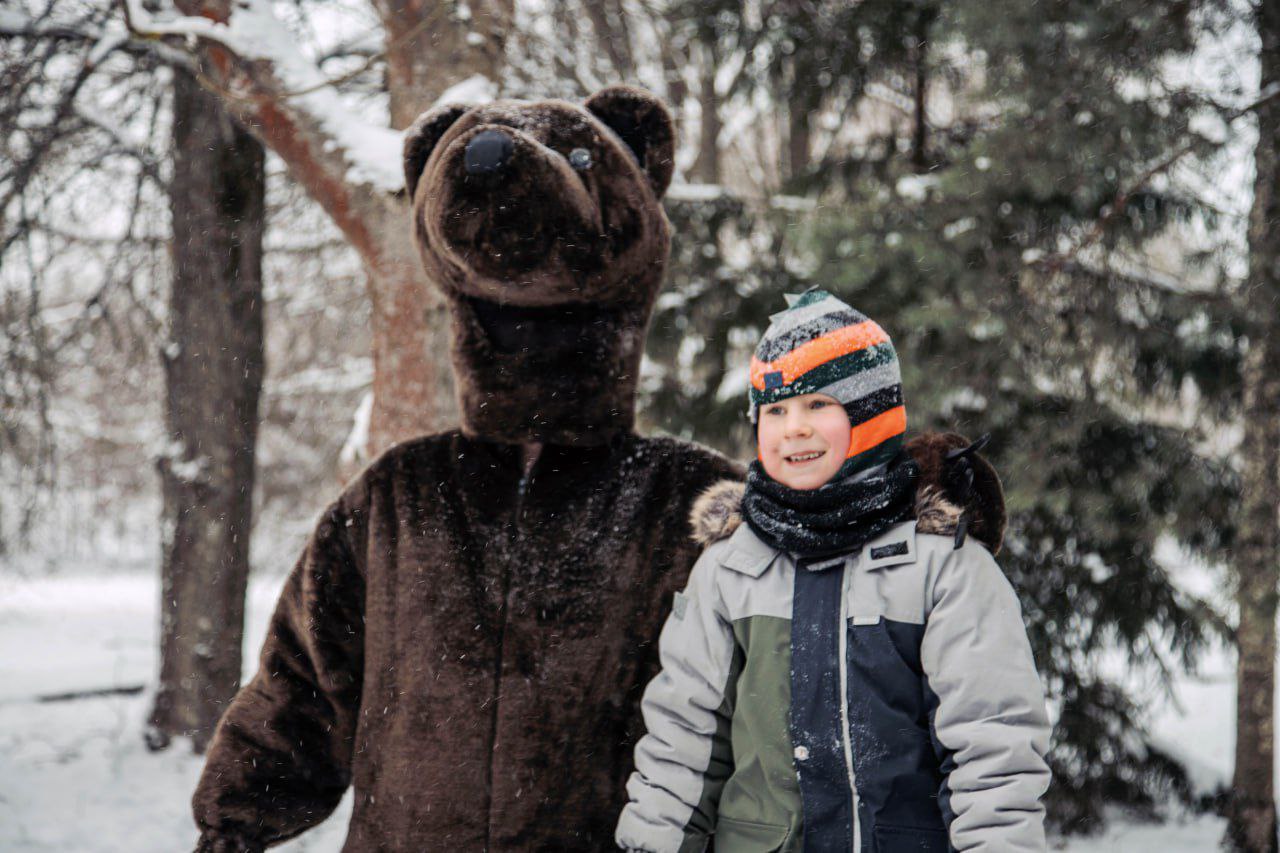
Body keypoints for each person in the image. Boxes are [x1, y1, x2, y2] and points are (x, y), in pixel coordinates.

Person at [615, 288, 1052, 853]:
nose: (793, 428)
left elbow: (994, 749)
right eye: (775, 410)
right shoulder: (731, 570)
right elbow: (685, 739)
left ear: (872, 416)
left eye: (818, 405)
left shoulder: (942, 570)